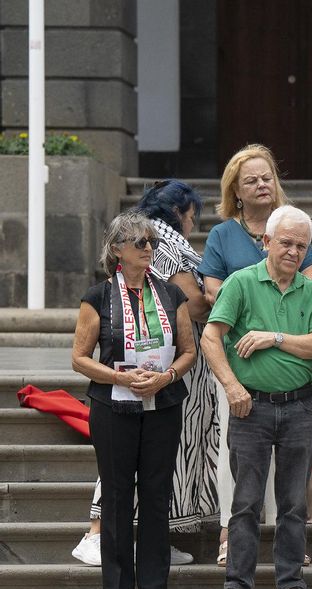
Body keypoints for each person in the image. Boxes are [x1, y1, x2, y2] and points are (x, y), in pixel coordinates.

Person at [73, 180, 218, 567]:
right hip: (130, 380)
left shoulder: (157, 241)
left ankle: (148, 541)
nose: (148, 249)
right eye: (193, 216)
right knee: (126, 464)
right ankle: (98, 532)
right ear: (184, 213)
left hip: (164, 376)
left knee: (153, 467)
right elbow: (195, 299)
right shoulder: (169, 243)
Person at [203, 205, 312, 589]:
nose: (294, 251)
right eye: (286, 243)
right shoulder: (240, 282)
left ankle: (291, 586)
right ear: (266, 242)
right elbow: (210, 338)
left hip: (298, 407)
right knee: (245, 502)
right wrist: (232, 386)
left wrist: (273, 337)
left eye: (302, 245)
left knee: (294, 503)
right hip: (250, 407)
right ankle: (237, 587)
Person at [198, 144, 312, 566]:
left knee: (288, 467)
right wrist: (246, 305)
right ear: (236, 190)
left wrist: (273, 330)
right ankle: (232, 535)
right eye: (251, 180)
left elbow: (309, 288)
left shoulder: (294, 227)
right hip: (235, 365)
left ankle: (288, 541)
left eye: (267, 176)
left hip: (287, 370)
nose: (262, 184)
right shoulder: (222, 234)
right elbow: (213, 290)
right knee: (242, 460)